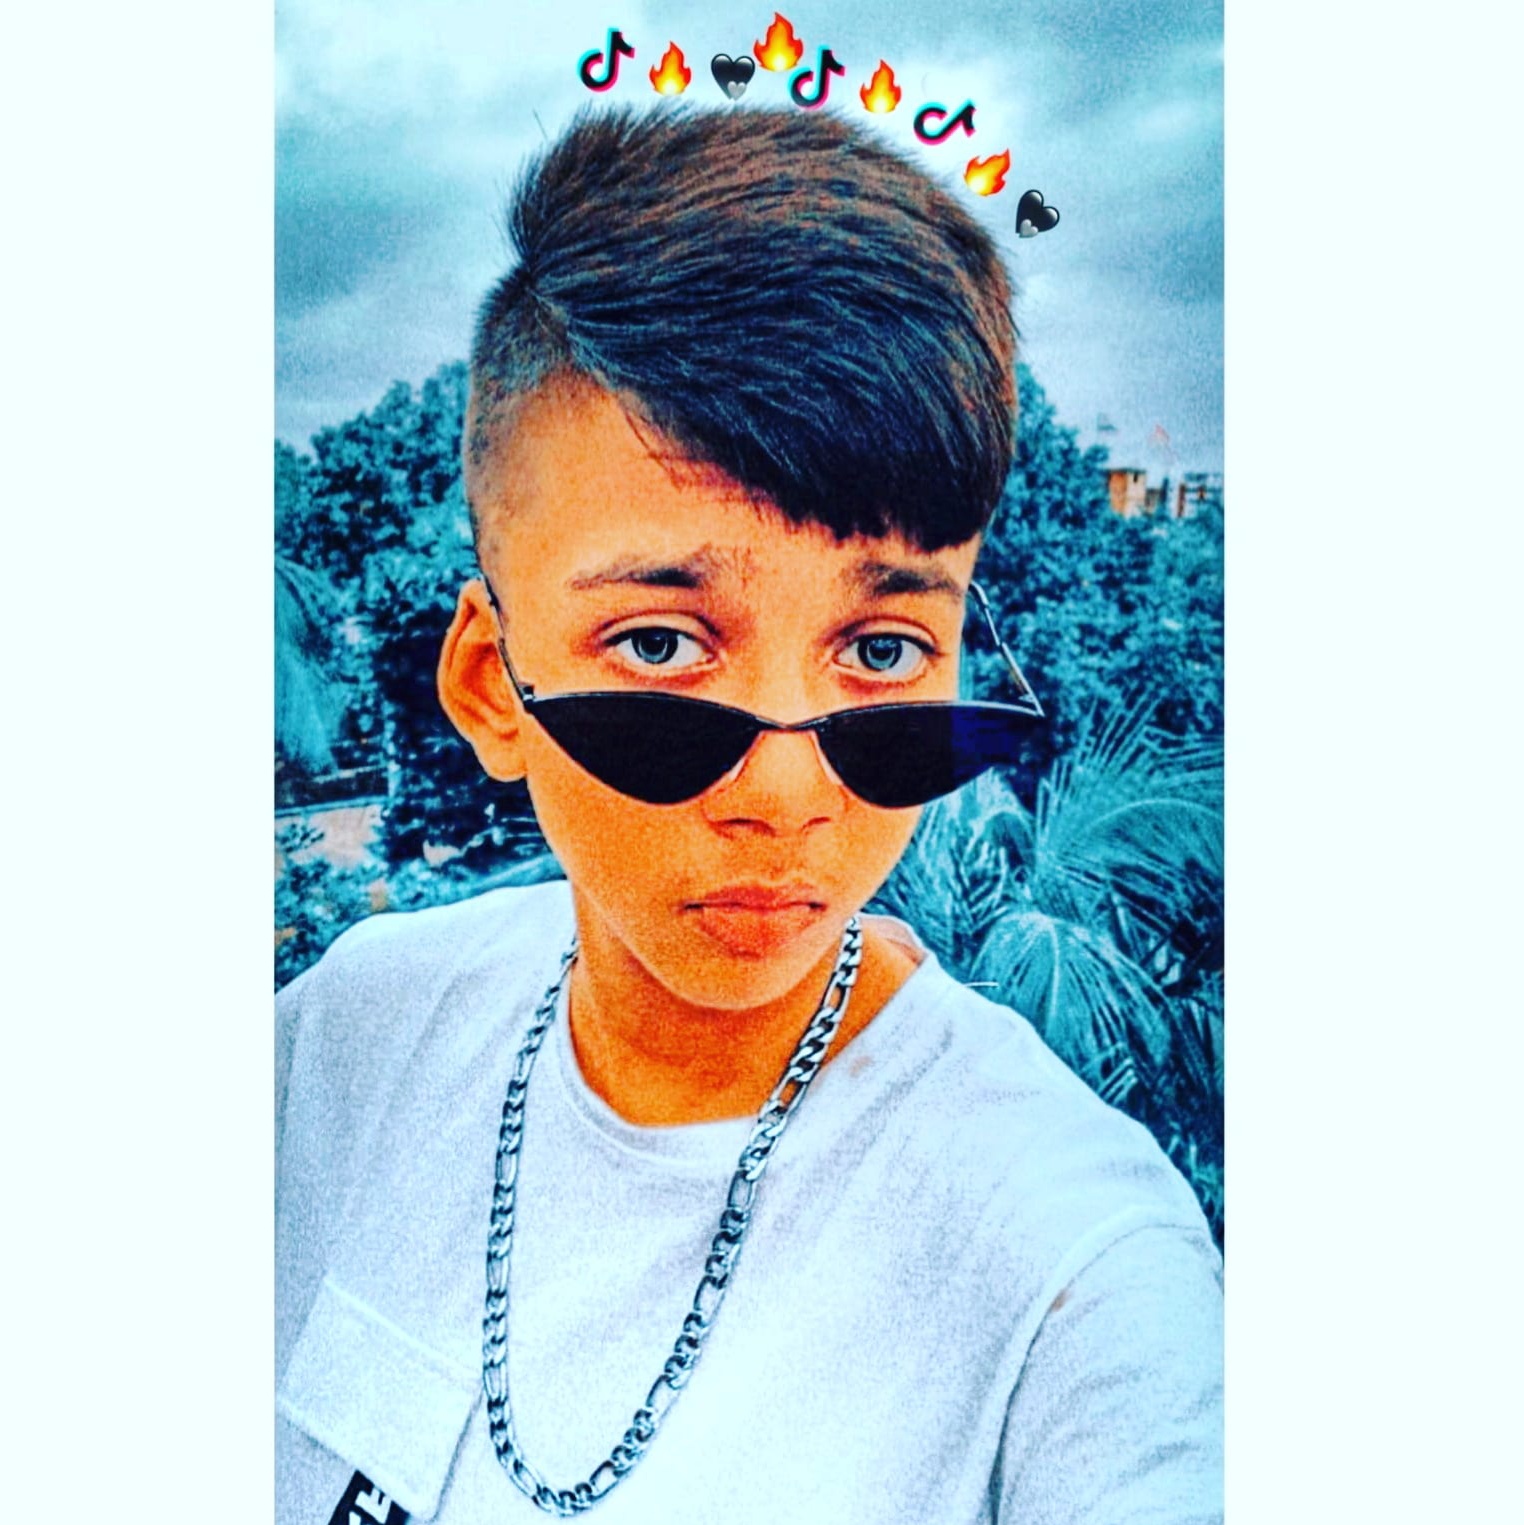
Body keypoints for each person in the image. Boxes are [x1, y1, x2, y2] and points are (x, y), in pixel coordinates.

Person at [276, 105, 1222, 1523]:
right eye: (662, 643)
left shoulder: (1073, 1270)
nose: (787, 796)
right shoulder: (348, 1046)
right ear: (489, 685)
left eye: (883, 649)